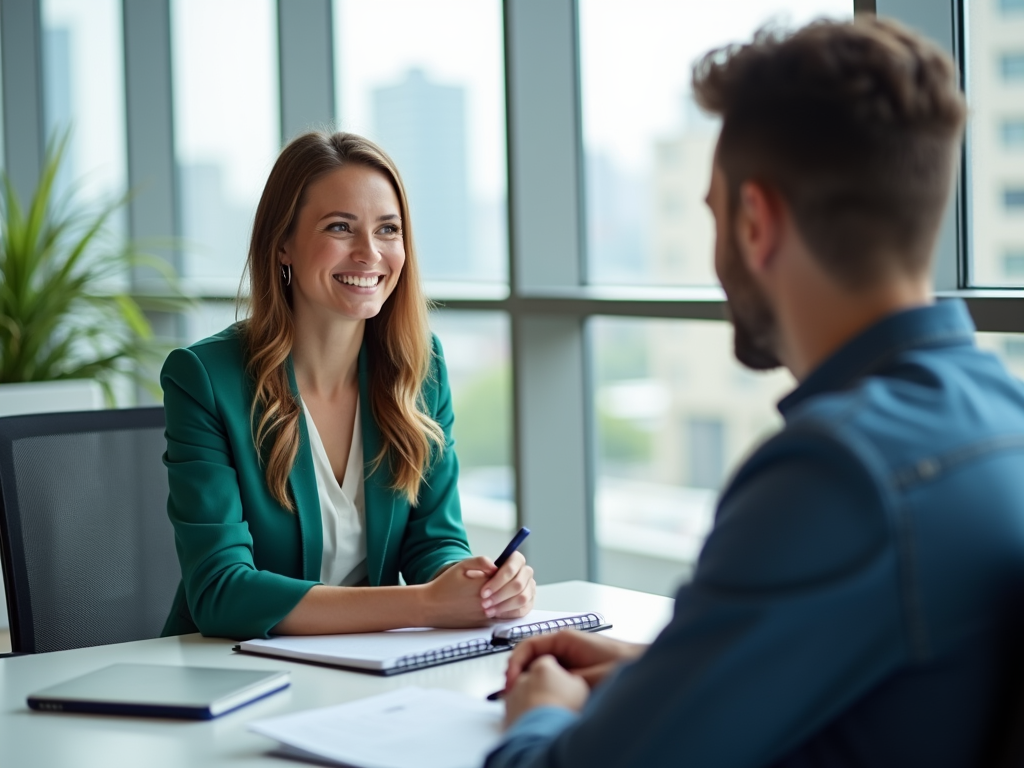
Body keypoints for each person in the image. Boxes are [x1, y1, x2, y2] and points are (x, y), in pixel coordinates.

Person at [486, 17, 1024, 768]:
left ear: (755, 221)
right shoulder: (1003, 416)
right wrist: (659, 675)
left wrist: (539, 717)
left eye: (713, 214)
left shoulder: (836, 473)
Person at [161, 132, 535, 640]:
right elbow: (220, 591)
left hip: (363, 671)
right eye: (340, 227)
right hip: (229, 674)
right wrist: (424, 604)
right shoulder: (206, 378)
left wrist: (476, 583)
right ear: (283, 245)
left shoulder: (419, 370)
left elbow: (433, 542)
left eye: (388, 230)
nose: (369, 254)